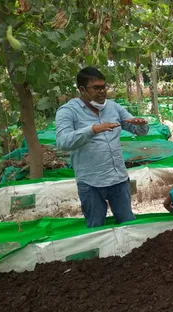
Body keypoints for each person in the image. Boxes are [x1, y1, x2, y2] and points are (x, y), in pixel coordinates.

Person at [56, 67, 149, 228]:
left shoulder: (113, 107)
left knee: (128, 224)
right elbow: (63, 141)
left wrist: (141, 125)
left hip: (118, 179)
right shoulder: (68, 111)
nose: (102, 91)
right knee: (96, 227)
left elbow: (136, 128)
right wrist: (92, 130)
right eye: (96, 88)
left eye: (103, 87)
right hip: (91, 182)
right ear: (82, 90)